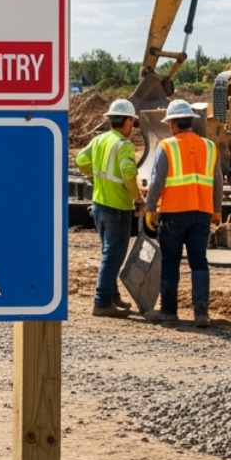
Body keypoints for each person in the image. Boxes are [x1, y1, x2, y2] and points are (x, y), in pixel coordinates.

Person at [143, 99, 224, 328]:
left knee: (170, 263)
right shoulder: (209, 147)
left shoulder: (167, 146)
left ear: (172, 124)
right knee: (199, 263)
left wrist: (150, 208)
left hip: (173, 214)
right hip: (202, 214)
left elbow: (157, 181)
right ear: (190, 122)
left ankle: (169, 311)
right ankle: (201, 313)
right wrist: (217, 210)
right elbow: (218, 182)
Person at [75, 98, 143, 317]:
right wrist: (138, 198)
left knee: (108, 252)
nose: (132, 127)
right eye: (132, 122)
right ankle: (102, 301)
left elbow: (80, 160)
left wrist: (95, 177)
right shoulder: (124, 145)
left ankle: (112, 296)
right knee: (113, 255)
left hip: (99, 204)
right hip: (117, 207)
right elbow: (128, 173)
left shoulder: (99, 140)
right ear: (126, 121)